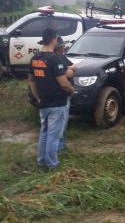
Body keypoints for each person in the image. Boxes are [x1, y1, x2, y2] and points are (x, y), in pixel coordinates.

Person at [28, 28, 75, 170]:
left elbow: (31, 81)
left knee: (44, 133)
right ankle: (52, 165)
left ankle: (41, 162)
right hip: (57, 104)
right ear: (54, 39)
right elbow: (64, 83)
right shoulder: (55, 59)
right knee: (53, 136)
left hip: (43, 103)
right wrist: (72, 91)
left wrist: (38, 98)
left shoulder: (35, 59)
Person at [54, 36, 77, 151]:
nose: (64, 47)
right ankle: (60, 148)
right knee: (61, 124)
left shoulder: (61, 58)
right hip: (63, 95)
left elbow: (74, 67)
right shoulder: (58, 59)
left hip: (57, 96)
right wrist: (68, 68)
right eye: (63, 46)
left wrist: (68, 67)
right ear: (59, 47)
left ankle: (60, 146)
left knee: (59, 124)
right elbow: (69, 74)